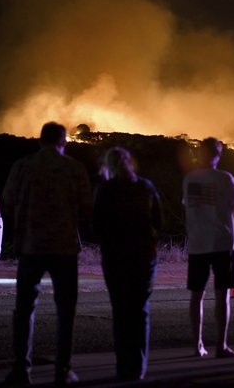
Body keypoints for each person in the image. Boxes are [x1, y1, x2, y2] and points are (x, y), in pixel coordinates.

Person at [2, 122, 92, 386]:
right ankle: (62, 370)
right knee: (66, 310)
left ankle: (21, 369)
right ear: (63, 142)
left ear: (40, 140)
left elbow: (8, 201)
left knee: (24, 309)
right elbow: (86, 207)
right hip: (63, 248)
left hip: (31, 245)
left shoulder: (22, 166)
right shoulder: (74, 168)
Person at [92, 147, 163, 381]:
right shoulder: (146, 186)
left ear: (109, 166)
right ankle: (139, 368)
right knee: (140, 311)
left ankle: (124, 367)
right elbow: (159, 221)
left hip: (115, 257)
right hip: (144, 255)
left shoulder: (105, 189)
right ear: (129, 162)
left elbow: (97, 225)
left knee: (121, 312)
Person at [182, 137, 234, 358]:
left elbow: (189, 207)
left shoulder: (189, 179)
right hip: (222, 241)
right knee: (222, 296)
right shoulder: (224, 178)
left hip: (198, 242)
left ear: (200, 154)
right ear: (218, 155)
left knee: (196, 295)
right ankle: (221, 346)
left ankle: (197, 344)